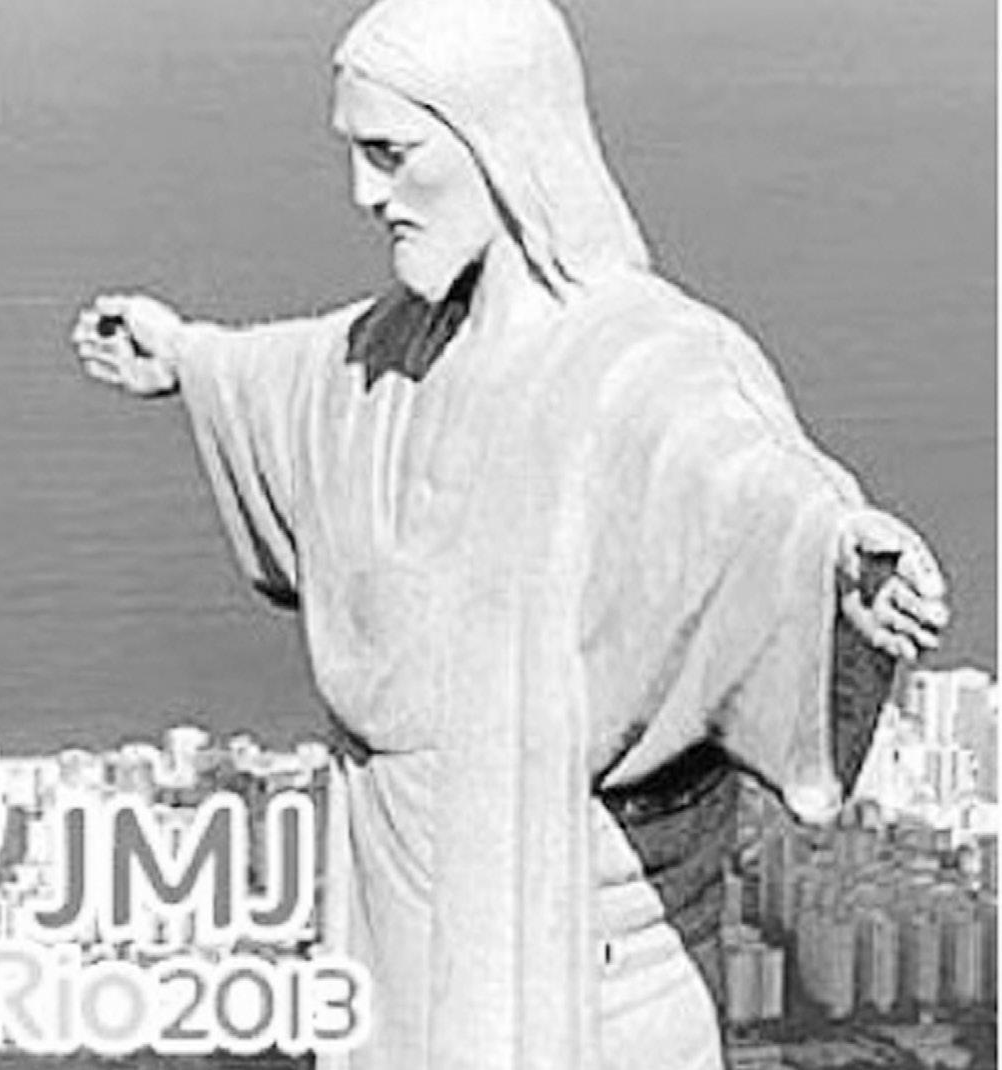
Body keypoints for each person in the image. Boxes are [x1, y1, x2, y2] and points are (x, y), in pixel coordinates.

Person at [69, 0, 949, 1067]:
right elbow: (310, 378)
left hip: (588, 968)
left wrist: (836, 558)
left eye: (391, 154)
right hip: (394, 933)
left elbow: (744, 481)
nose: (364, 194)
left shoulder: (649, 360)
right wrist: (187, 358)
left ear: (499, 137)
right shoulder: (405, 342)